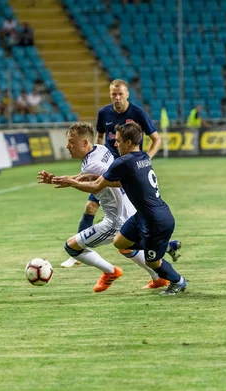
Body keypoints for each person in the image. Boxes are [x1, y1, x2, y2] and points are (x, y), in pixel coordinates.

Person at [37, 123, 181, 291]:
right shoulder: (99, 149)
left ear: (85, 143)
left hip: (115, 219)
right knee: (126, 247)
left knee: (71, 247)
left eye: (71, 142)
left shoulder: (93, 164)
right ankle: (160, 270)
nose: (68, 146)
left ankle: (110, 272)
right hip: (130, 210)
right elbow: (92, 176)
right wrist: (61, 179)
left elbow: (96, 184)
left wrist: (71, 183)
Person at [60, 79, 162, 268]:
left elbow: (156, 138)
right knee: (91, 206)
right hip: (105, 166)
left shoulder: (137, 113)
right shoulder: (104, 113)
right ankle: (77, 254)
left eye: (120, 94)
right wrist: (96, 152)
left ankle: (81, 252)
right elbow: (99, 137)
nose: (116, 98)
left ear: (127, 94)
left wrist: (146, 159)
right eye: (113, 94)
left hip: (124, 171)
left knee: (123, 229)